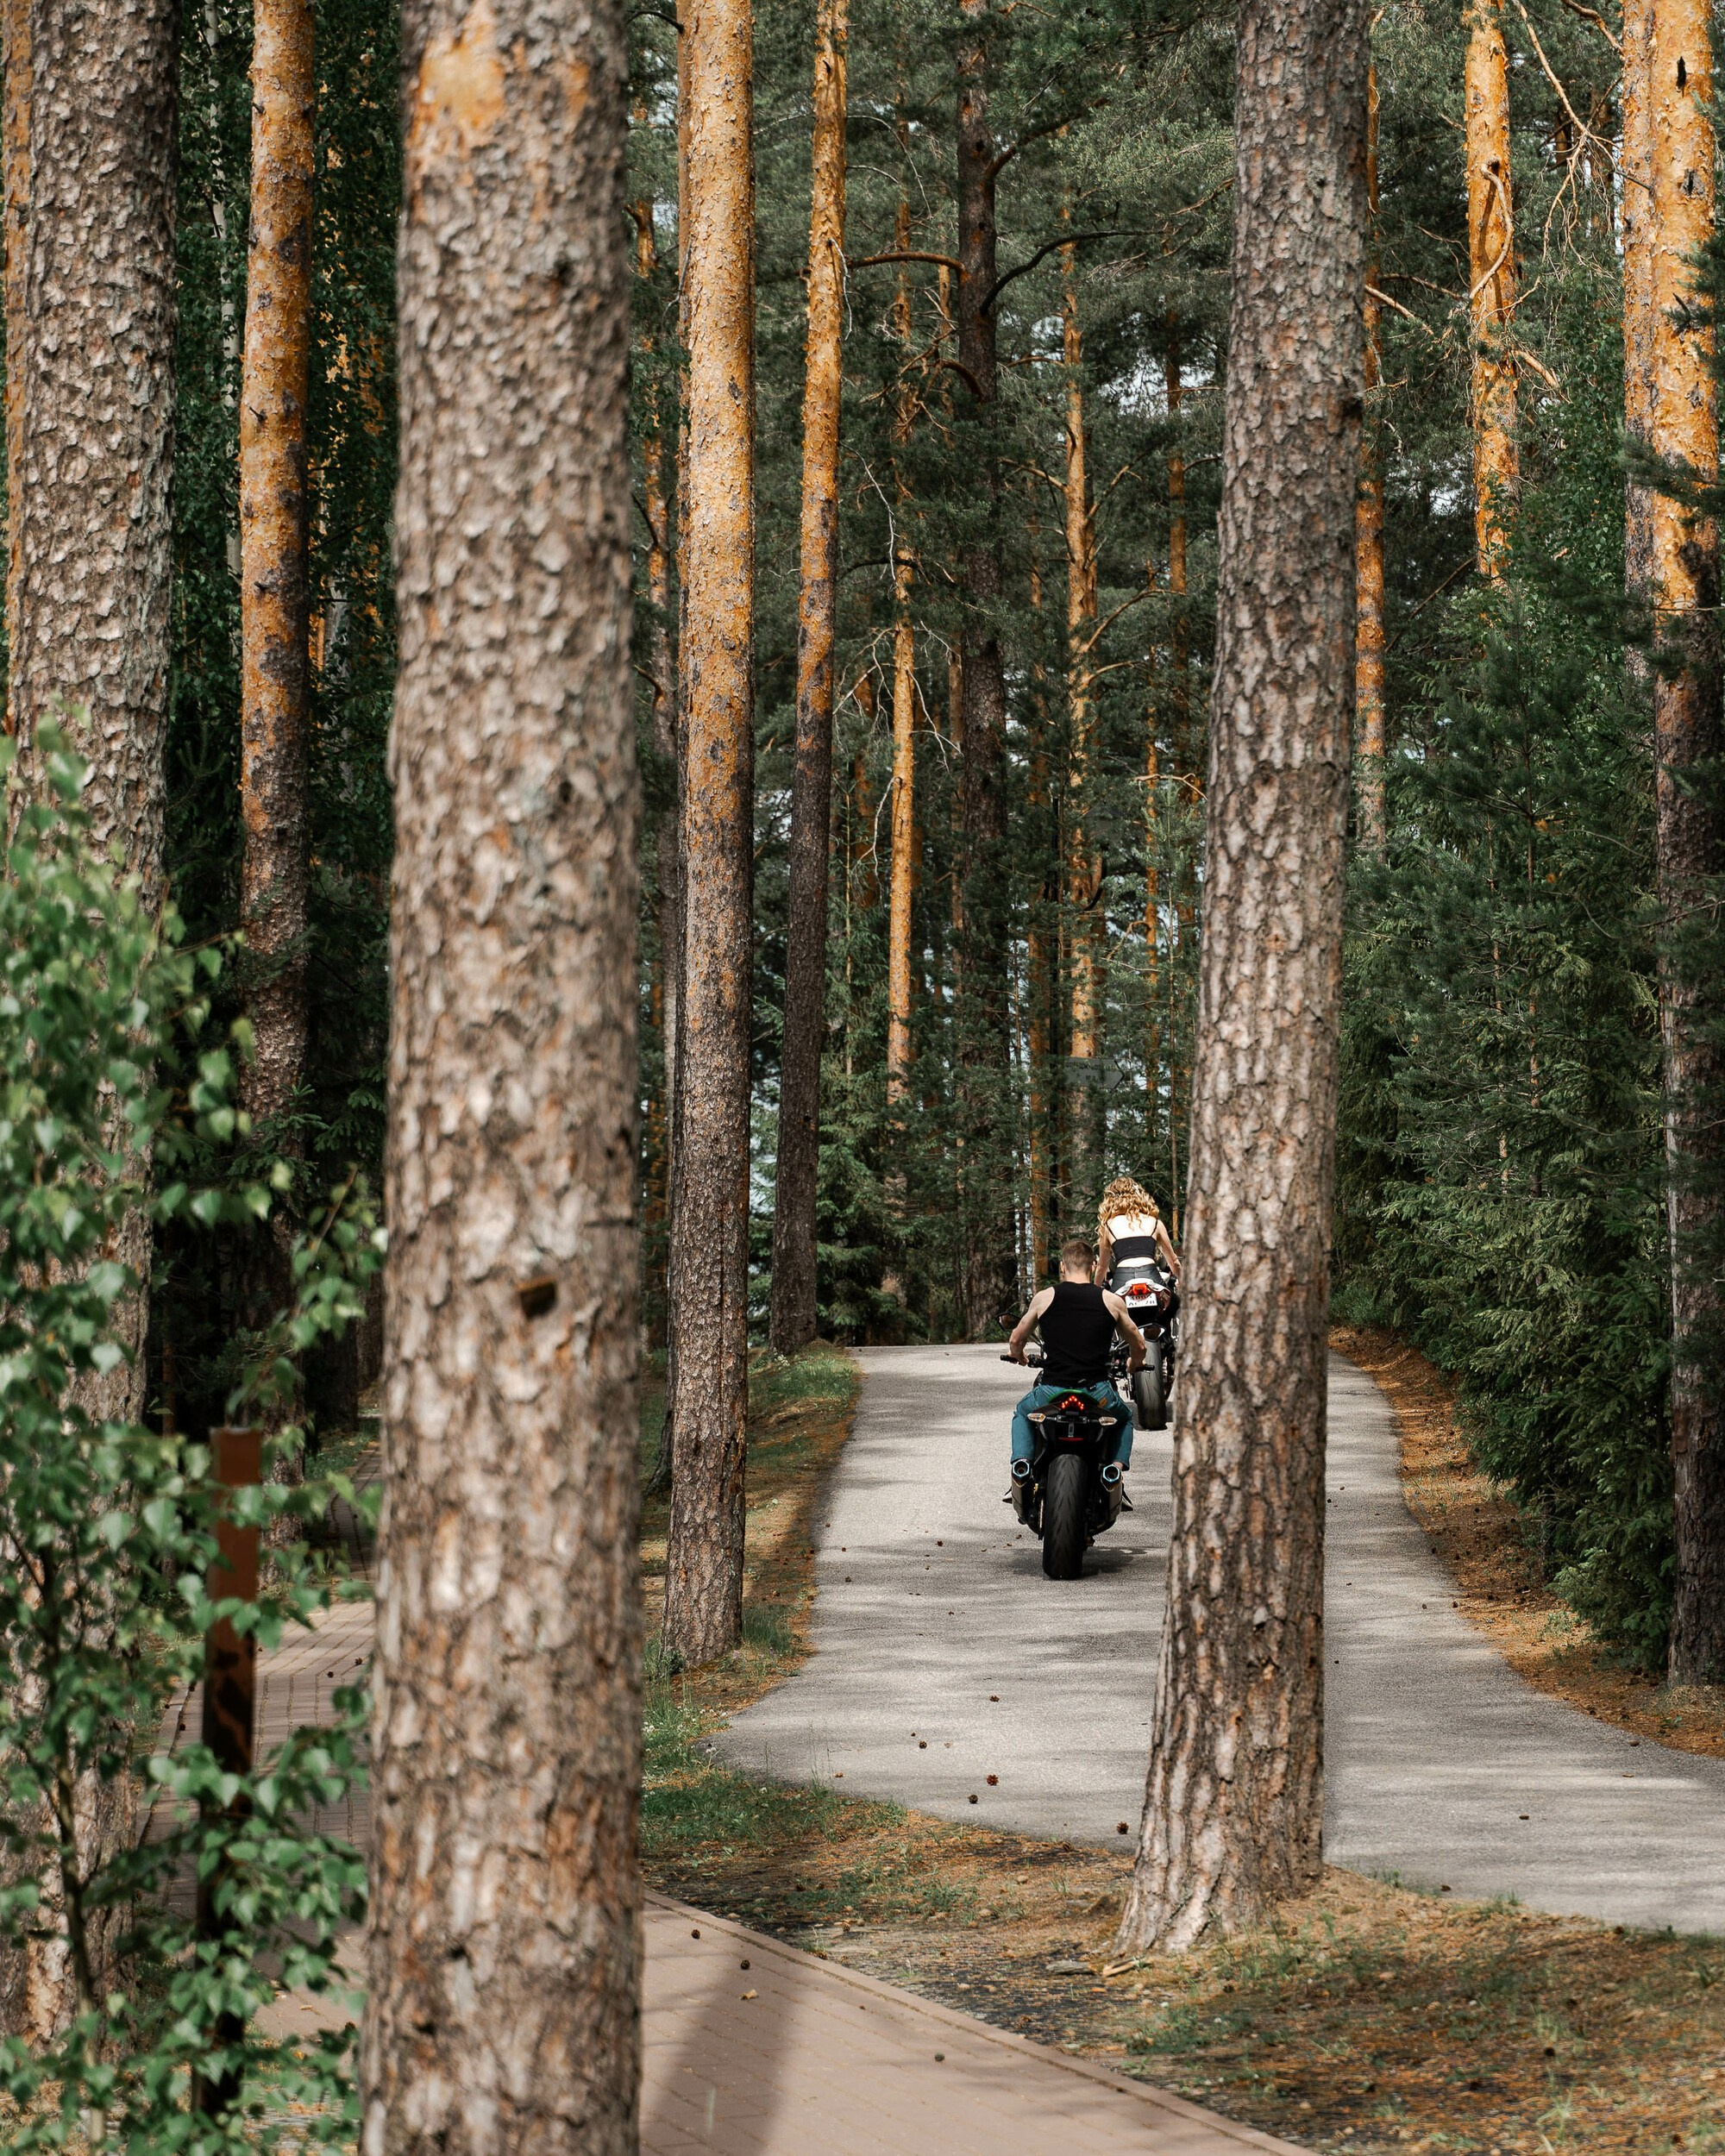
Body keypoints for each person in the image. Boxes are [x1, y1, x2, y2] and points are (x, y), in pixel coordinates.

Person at [1005, 1238, 1146, 1492]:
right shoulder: (1111, 1300)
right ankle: (1114, 1469)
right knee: (1124, 1419)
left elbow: (1016, 1338)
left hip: (1052, 1390)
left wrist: (1020, 1356)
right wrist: (1133, 1364)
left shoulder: (1045, 1297)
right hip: (1097, 1393)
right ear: (1093, 1265)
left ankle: (1022, 1465)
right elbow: (1140, 1344)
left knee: (1023, 1413)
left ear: (1062, 1266)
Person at [1093, 1174, 1181, 1294]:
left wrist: (1095, 1292)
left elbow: (1101, 1267)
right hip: (1150, 1275)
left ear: (1110, 1200)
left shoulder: (1108, 1225)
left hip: (1122, 1278)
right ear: (1140, 1196)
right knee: (1173, 1306)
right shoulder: (1155, 1222)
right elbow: (1173, 1261)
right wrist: (1183, 1281)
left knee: (1112, 1310)